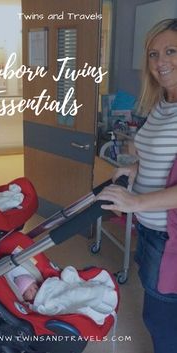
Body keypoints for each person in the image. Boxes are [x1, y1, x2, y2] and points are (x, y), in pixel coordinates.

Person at [97, 18, 177, 353]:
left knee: (160, 318)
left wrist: (135, 203)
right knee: (159, 311)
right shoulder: (162, 103)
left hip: (168, 236)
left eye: (171, 51)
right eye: (153, 54)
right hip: (149, 229)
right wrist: (133, 168)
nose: (161, 62)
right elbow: (158, 156)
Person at [14, 266, 118, 325]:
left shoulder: (46, 285)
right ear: (23, 296)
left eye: (33, 286)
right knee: (73, 301)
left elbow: (59, 286)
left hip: (61, 291)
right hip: (56, 300)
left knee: (76, 293)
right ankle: (95, 300)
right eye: (29, 290)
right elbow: (44, 310)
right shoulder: (34, 306)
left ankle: (98, 294)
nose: (33, 290)